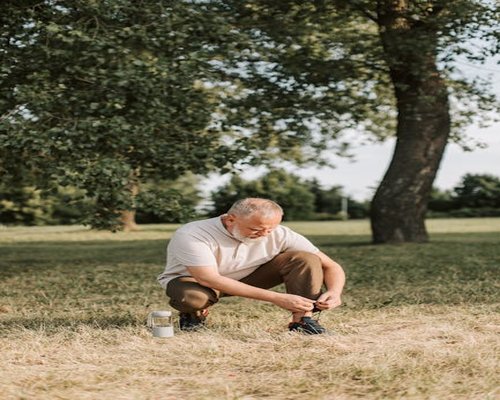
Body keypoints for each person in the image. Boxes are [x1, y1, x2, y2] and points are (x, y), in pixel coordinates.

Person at [157, 197, 345, 334]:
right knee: (192, 297)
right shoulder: (193, 233)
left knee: (306, 258)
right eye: (256, 229)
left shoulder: (279, 233)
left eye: (270, 229)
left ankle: (302, 321)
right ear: (231, 219)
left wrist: (335, 292)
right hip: (198, 282)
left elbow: (332, 266)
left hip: (249, 277)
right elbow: (208, 278)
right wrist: (276, 298)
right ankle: (193, 314)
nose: (264, 235)